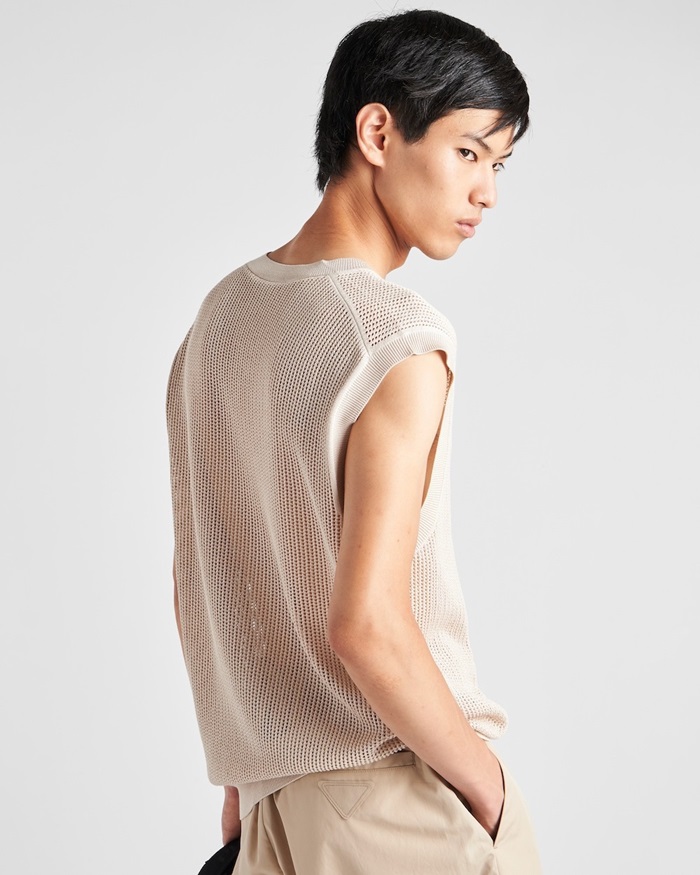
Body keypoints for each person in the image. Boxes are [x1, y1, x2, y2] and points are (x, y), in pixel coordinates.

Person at [167, 9, 541, 874]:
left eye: (499, 164)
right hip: (397, 802)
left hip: (269, 811)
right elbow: (365, 623)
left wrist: (246, 775)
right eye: (469, 152)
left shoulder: (218, 321)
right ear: (378, 132)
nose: (488, 192)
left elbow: (200, 582)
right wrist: (488, 791)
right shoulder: (392, 335)